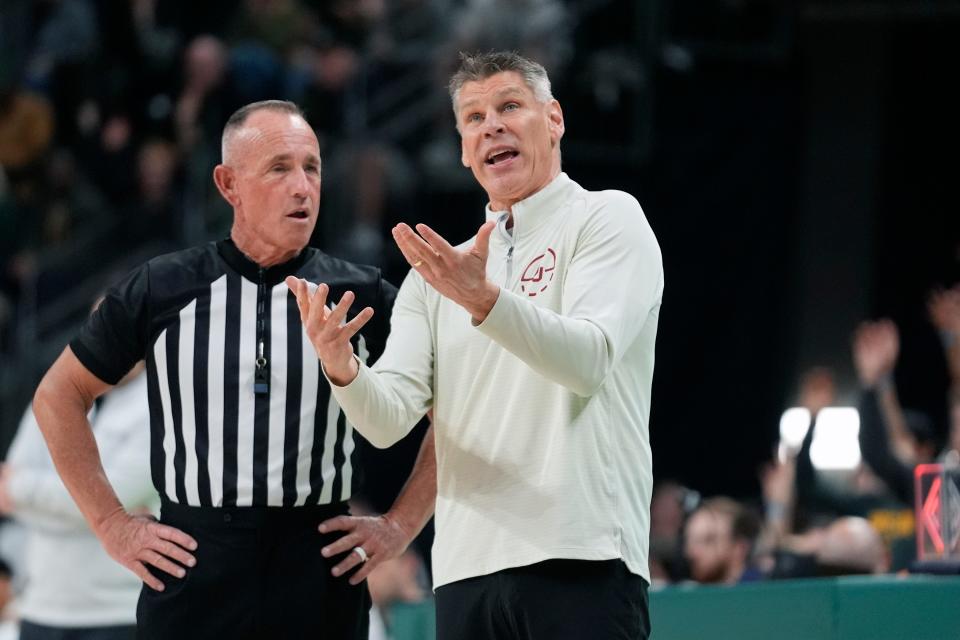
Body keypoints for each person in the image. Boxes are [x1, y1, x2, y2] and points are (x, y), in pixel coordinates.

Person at [289, 51, 663, 639]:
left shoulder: (607, 218)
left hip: (582, 553)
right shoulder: (436, 276)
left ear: (555, 118)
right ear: (465, 150)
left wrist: (485, 302)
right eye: (473, 117)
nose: (492, 125)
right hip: (466, 572)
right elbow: (388, 422)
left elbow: (588, 360)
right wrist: (343, 369)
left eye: (510, 106)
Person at [30, 100, 399, 639]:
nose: (303, 186)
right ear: (228, 185)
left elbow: (453, 405)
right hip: (193, 564)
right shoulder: (162, 287)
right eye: (279, 168)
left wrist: (400, 524)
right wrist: (112, 525)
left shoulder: (363, 294)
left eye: (312, 167)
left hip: (318, 563)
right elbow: (58, 395)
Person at [0, 360, 155, 640]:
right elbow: (5, 492)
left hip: (117, 612)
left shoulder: (160, 405)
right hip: (41, 607)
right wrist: (101, 512)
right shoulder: (53, 392)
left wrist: (26, 493)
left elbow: (120, 493)